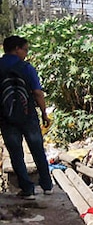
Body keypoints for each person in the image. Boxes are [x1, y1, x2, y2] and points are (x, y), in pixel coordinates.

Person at [0, 35, 53, 198]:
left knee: (16, 153)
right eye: (25, 50)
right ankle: (47, 186)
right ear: (17, 49)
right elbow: (37, 92)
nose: (26, 54)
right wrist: (44, 113)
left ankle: (27, 190)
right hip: (28, 115)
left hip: (6, 117)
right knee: (37, 150)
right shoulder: (26, 68)